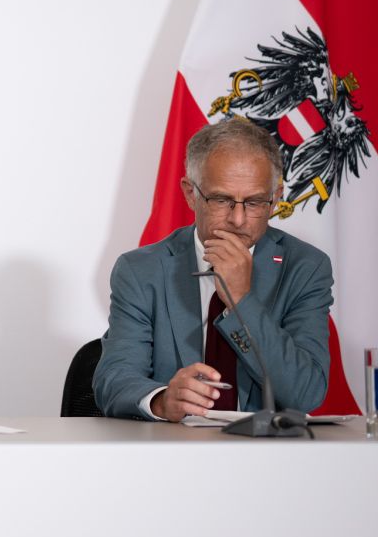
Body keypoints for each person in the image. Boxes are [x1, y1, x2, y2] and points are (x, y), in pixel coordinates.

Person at [93, 116, 332, 421]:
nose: (238, 220)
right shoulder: (141, 270)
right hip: (173, 446)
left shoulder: (305, 268)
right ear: (190, 194)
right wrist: (162, 400)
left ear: (275, 199)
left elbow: (306, 392)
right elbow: (114, 379)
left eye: (255, 202)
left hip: (263, 448)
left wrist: (242, 302)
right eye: (221, 200)